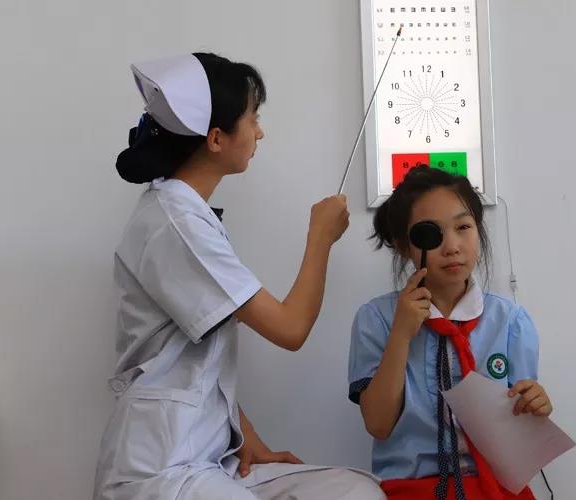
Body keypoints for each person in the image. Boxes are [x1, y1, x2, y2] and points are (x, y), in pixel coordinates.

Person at [94, 52, 384, 500]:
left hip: (207, 457)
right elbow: (290, 329)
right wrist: (320, 239)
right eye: (253, 118)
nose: (259, 132)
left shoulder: (184, 214)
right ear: (215, 138)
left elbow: (200, 364)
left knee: (355, 491)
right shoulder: (177, 223)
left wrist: (251, 442)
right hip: (162, 468)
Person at [348, 166, 553, 499]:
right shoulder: (377, 320)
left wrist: (536, 405)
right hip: (411, 488)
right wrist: (401, 335)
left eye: (463, 227)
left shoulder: (511, 322)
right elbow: (378, 424)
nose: (452, 246)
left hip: (496, 488)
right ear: (403, 245)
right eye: (432, 234)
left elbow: (519, 433)